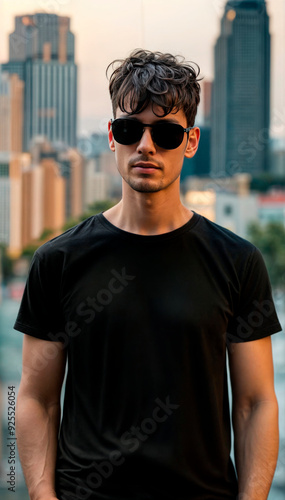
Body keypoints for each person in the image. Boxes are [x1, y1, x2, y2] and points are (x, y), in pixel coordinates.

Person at [15, 49, 282, 500]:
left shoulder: (238, 262)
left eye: (166, 132)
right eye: (129, 129)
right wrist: (42, 496)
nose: (146, 146)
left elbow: (256, 404)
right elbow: (35, 399)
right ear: (111, 137)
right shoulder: (57, 261)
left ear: (191, 141)